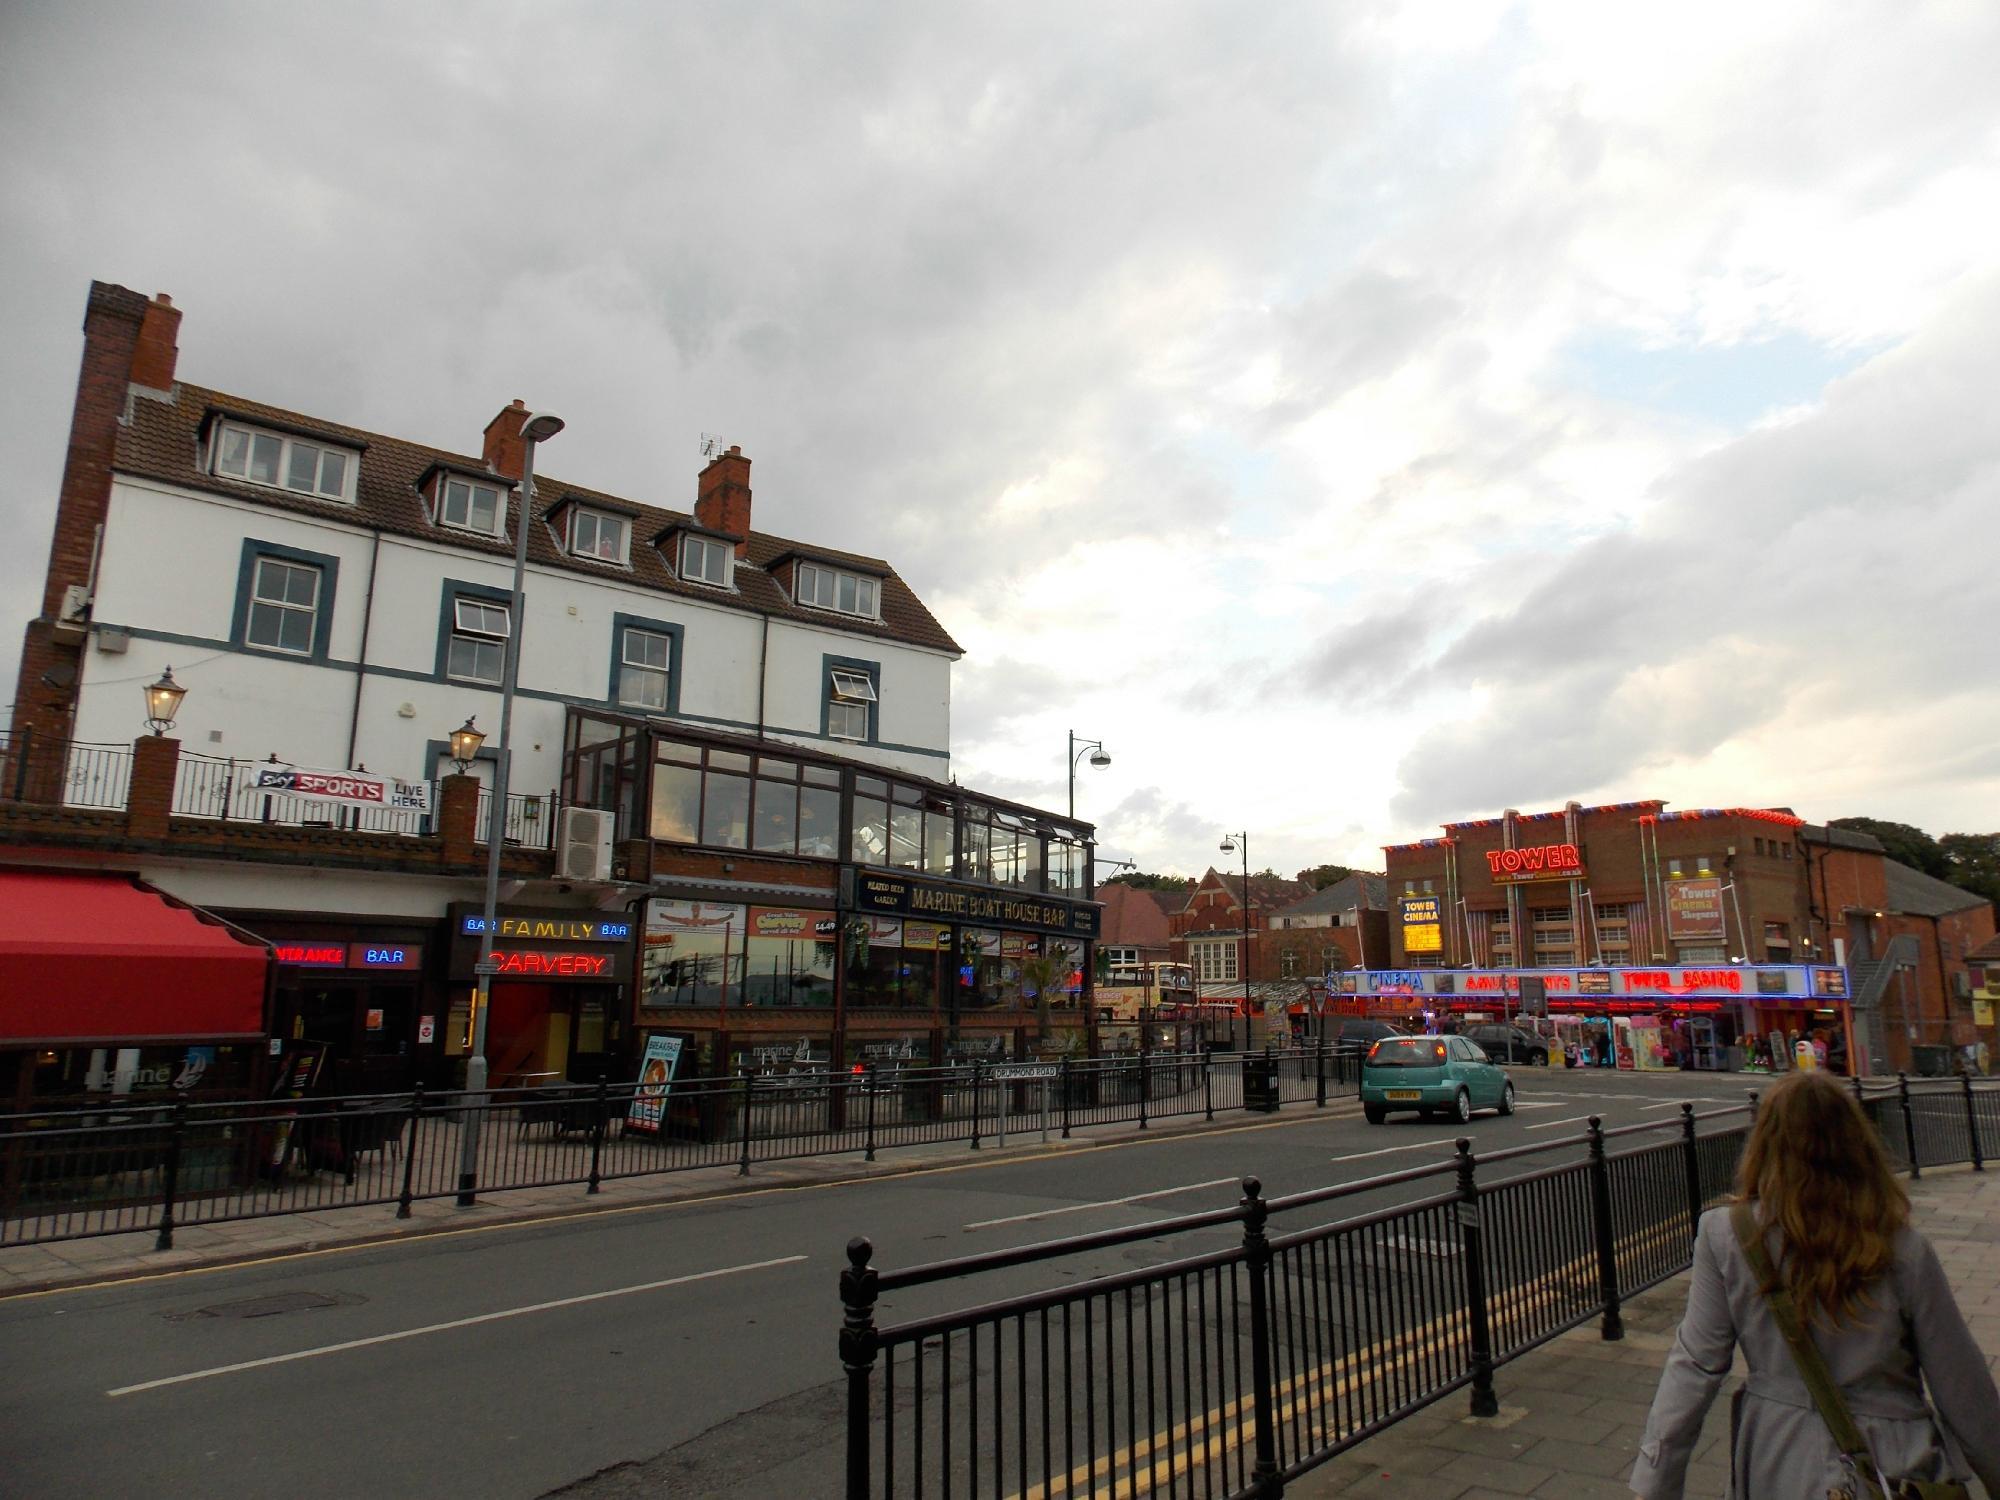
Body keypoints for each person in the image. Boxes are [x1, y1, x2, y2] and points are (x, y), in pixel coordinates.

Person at [1630, 1071, 2000, 1498]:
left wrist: (1655, 1481)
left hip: (1776, 1459)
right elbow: (1963, 1388)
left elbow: (1694, 1366)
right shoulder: (1903, 1249)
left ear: (1765, 1146)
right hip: (1895, 1469)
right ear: (1857, 1147)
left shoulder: (1727, 1236)